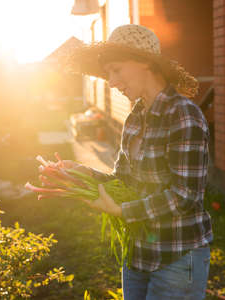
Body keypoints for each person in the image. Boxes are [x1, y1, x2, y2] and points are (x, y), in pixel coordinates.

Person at [51, 24, 213, 299]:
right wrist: (84, 173)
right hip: (137, 253)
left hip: (176, 256)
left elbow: (184, 196)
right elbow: (123, 181)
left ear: (146, 63)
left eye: (116, 70)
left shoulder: (184, 116)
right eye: (108, 74)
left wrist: (123, 211)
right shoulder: (135, 117)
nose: (111, 82)